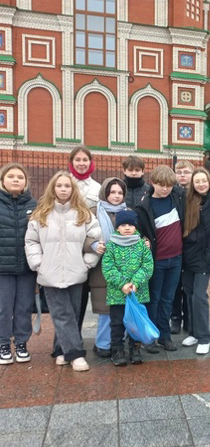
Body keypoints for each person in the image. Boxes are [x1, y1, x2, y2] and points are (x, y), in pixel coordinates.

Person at [25, 171, 101, 371]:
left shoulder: (83, 214)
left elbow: (96, 238)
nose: (63, 189)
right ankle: (75, 354)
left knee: (72, 313)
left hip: (76, 272)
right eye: (59, 186)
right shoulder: (41, 213)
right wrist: (39, 264)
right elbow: (31, 241)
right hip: (50, 274)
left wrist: (87, 263)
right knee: (62, 314)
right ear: (53, 188)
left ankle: (60, 350)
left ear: (72, 189)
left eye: (67, 186)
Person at [136, 165, 185, 352]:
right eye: (161, 184)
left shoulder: (176, 198)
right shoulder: (144, 206)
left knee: (168, 299)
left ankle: (164, 336)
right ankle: (150, 337)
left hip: (176, 259)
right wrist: (144, 240)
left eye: (169, 185)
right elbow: (140, 232)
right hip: (157, 260)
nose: (165, 188)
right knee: (154, 299)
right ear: (153, 183)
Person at [181, 168, 210, 354]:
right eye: (196, 181)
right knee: (189, 295)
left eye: (203, 180)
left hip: (206, 256)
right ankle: (194, 332)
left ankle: (204, 337)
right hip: (189, 254)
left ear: (209, 180)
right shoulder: (189, 199)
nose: (200, 184)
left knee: (199, 296)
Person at [102, 210, 154, 366]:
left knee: (136, 323)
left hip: (137, 293)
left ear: (135, 227)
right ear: (117, 227)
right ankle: (117, 350)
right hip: (117, 294)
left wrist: (135, 283)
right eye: (123, 225)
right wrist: (122, 284)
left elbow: (147, 266)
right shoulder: (111, 246)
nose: (126, 228)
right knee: (117, 324)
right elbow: (108, 267)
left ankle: (135, 349)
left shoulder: (141, 245)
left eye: (130, 225)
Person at [0, 164, 37, 365]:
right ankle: (3, 343)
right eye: (11, 176)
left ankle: (22, 343)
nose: (16, 180)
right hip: (2, 268)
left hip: (25, 268)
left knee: (24, 308)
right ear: (2, 180)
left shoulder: (34, 204)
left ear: (25, 182)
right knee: (3, 308)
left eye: (20, 177)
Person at [88, 178, 128, 358]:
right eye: (113, 192)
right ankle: (103, 343)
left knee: (122, 307)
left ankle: (118, 342)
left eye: (120, 193)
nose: (116, 196)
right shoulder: (93, 213)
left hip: (125, 269)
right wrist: (93, 244)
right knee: (105, 309)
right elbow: (81, 236)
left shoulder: (128, 212)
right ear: (105, 193)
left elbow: (138, 234)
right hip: (102, 270)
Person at [69, 146, 101, 332]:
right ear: (72, 162)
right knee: (68, 296)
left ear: (91, 162)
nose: (81, 163)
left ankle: (77, 335)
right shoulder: (63, 183)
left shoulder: (97, 188)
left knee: (83, 295)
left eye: (85, 159)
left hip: (88, 247)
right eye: (78, 159)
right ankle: (66, 338)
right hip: (67, 247)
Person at [170, 160, 194, 335]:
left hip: (191, 246)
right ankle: (175, 318)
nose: (183, 175)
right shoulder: (171, 192)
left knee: (189, 285)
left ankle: (189, 318)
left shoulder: (197, 193)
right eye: (179, 172)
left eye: (186, 172)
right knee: (175, 285)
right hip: (174, 245)